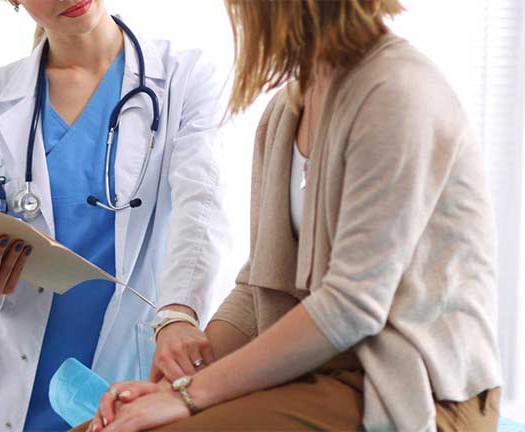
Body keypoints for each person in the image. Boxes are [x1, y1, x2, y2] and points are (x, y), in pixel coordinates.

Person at [84, 1, 502, 431]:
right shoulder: (288, 108)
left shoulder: (397, 90)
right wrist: (176, 386)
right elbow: (258, 283)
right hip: (321, 374)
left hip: (413, 389)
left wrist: (191, 396)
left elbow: (351, 305)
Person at [0, 0, 229, 430]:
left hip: (125, 371)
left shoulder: (183, 77)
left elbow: (201, 204)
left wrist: (179, 311)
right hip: (13, 385)